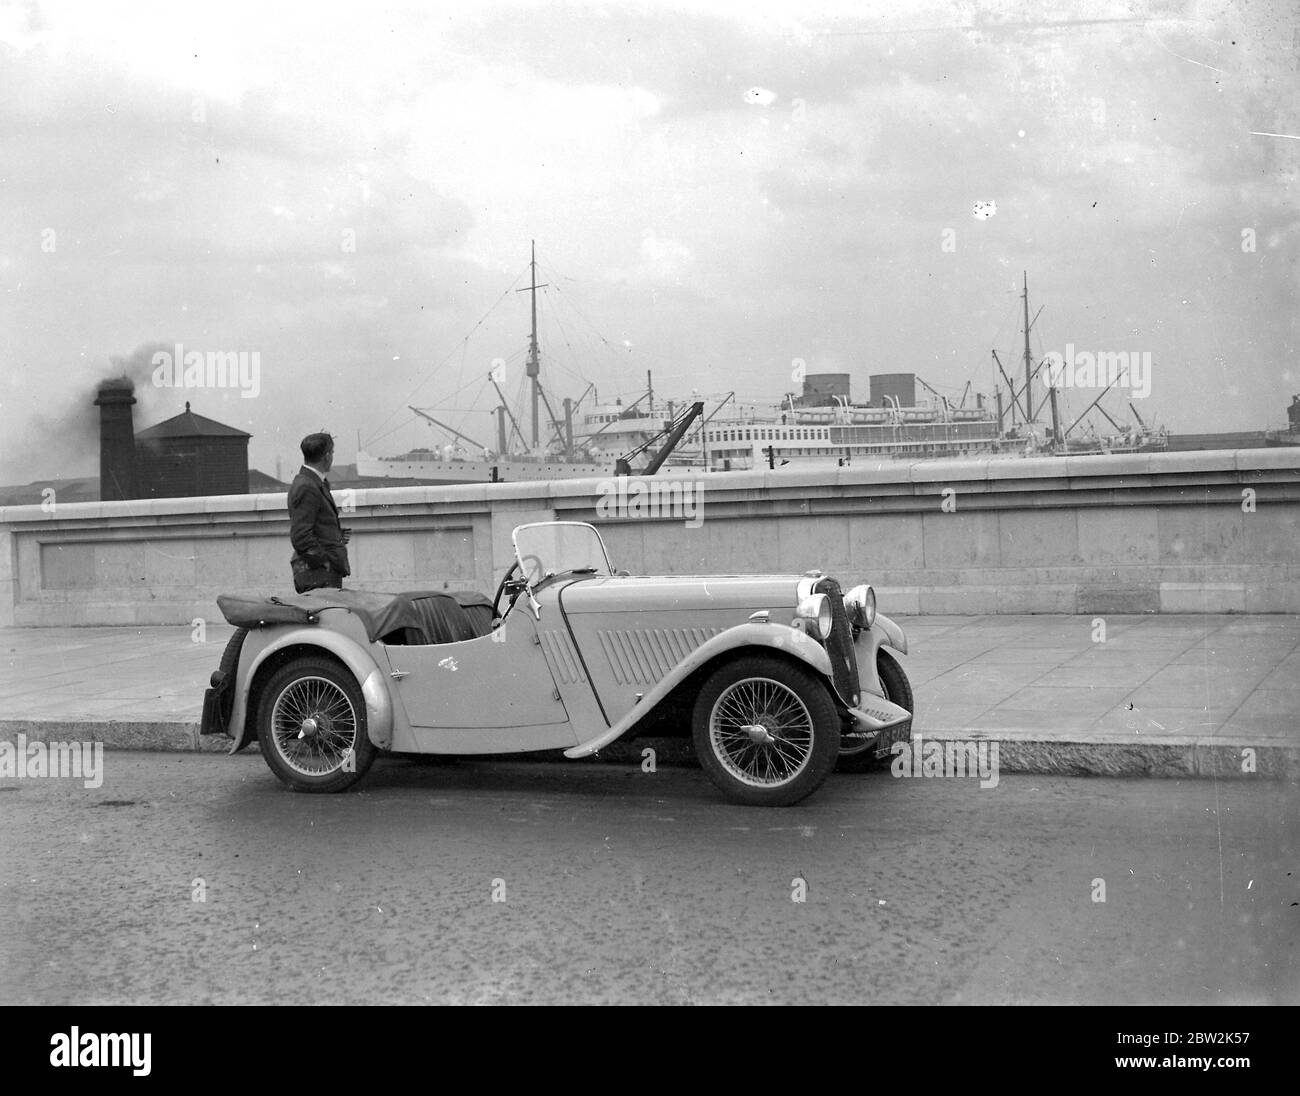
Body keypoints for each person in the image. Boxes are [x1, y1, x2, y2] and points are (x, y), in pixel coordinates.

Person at [288, 432, 351, 593]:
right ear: (327, 456)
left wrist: (335, 535)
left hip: (318, 573)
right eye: (332, 453)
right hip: (319, 574)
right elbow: (300, 536)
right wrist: (325, 562)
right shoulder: (308, 486)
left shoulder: (310, 482)